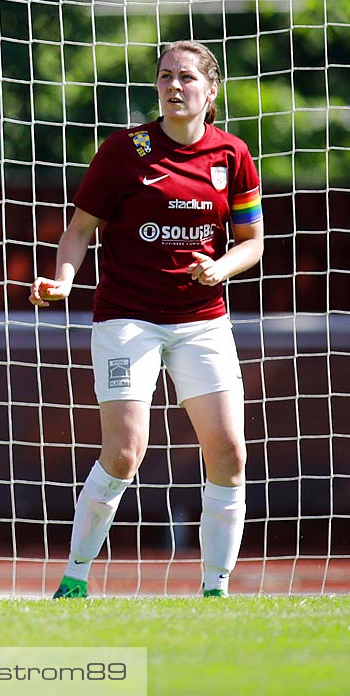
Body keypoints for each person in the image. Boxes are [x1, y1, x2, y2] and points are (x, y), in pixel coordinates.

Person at [31, 40, 264, 599]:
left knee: (229, 451)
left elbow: (252, 242)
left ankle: (215, 590)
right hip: (127, 320)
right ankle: (75, 580)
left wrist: (220, 268)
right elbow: (80, 230)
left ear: (211, 91)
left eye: (186, 77)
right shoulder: (124, 150)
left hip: (202, 321)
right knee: (125, 451)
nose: (173, 86)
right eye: (165, 76)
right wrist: (62, 280)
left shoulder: (232, 155)